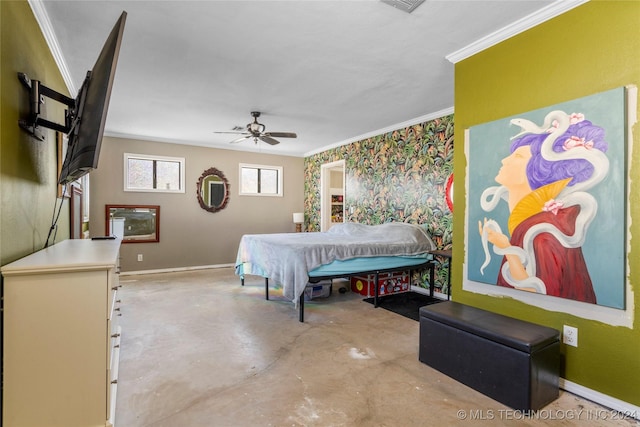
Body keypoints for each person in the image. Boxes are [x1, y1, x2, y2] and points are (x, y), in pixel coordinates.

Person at [478, 111, 609, 304]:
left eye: (518, 157)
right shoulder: (539, 223)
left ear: (537, 170)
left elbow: (540, 295)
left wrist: (505, 246)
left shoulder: (544, 233)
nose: (505, 160)